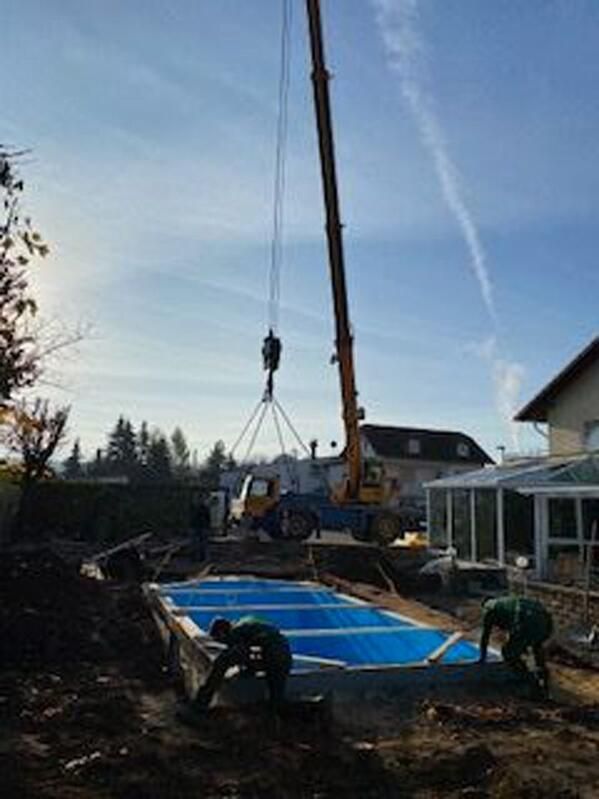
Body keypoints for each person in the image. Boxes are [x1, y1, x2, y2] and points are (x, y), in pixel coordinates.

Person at [193, 616, 292, 711]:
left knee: (222, 661)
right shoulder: (244, 628)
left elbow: (237, 654)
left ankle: (201, 703)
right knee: (276, 699)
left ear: (222, 634)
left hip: (276, 656)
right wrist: (248, 669)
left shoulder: (236, 633)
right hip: (282, 654)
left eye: (218, 639)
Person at [479, 595, 553, 697]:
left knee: (508, 652)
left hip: (526, 619)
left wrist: (482, 658)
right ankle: (545, 685)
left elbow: (485, 636)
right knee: (537, 647)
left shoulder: (489, 607)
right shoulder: (505, 603)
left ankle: (530, 683)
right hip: (545, 619)